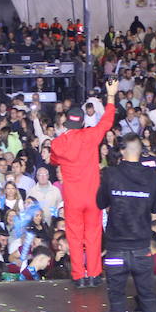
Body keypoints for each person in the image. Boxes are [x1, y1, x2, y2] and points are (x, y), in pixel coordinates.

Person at [97, 132, 156, 312]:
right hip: (143, 249)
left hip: (115, 249)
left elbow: (100, 202)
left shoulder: (110, 174)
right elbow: (155, 208)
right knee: (147, 298)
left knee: (116, 298)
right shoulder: (152, 177)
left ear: (122, 150)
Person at [50, 81, 118, 287]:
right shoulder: (90, 136)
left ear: (66, 123)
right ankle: (95, 274)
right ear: (81, 122)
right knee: (93, 235)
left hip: (72, 198)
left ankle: (79, 276)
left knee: (75, 237)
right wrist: (111, 96)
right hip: (92, 197)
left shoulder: (58, 143)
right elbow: (107, 122)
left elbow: (53, 160)